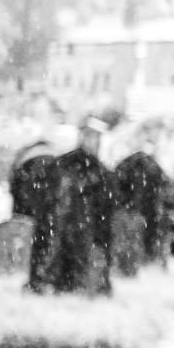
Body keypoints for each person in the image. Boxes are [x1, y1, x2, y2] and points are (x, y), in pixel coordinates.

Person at [29, 119, 118, 296]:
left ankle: (70, 284)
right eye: (90, 137)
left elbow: (107, 201)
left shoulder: (97, 169)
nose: (93, 141)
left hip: (80, 224)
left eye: (96, 138)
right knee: (64, 255)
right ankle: (61, 283)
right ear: (82, 137)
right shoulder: (68, 164)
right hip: (69, 223)